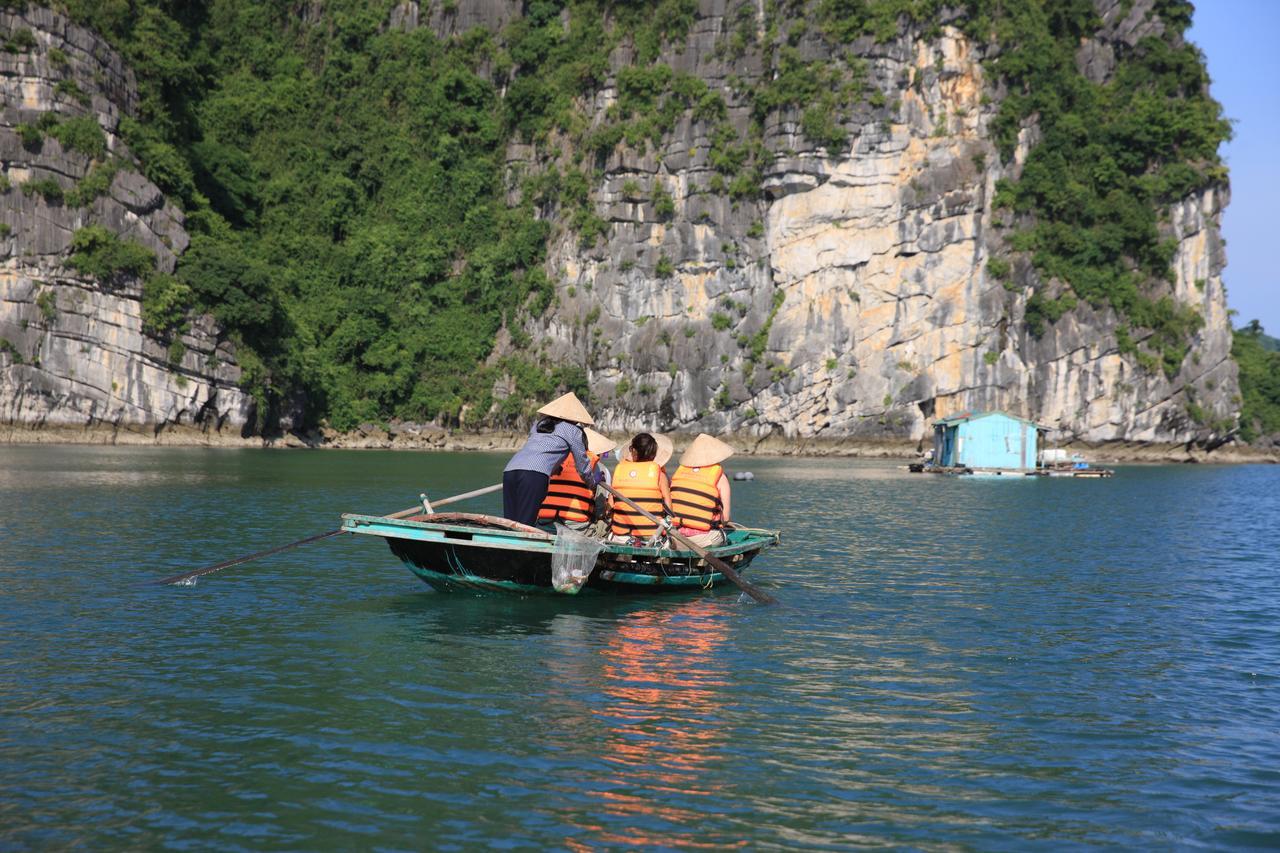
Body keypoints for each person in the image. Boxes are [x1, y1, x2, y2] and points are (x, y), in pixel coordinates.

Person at [502, 392, 594, 526]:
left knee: (509, 522)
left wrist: (555, 468)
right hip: (534, 476)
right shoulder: (573, 431)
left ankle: (505, 546)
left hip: (510, 470)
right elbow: (582, 465)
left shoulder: (539, 424)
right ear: (575, 418)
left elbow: (541, 450)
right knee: (525, 523)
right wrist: (593, 484)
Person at [537, 428, 615, 534]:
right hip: (576, 527)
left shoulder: (555, 459)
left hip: (544, 522)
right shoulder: (598, 468)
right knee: (605, 525)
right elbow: (600, 509)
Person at [669, 433, 734, 547]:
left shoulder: (680, 473)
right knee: (724, 537)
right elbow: (726, 518)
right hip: (702, 539)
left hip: (675, 535)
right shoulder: (720, 478)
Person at [609, 433, 673, 543]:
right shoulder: (660, 475)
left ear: (634, 451)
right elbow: (669, 509)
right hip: (652, 536)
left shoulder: (619, 471)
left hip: (622, 537)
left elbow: (610, 506)